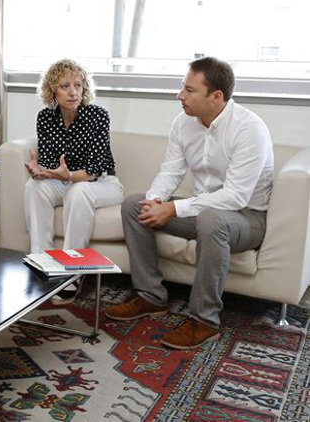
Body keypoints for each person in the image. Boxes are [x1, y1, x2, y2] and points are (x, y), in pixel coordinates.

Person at [105, 57, 274, 350]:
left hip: (246, 218)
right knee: (135, 204)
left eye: (189, 90)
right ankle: (150, 297)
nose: (179, 95)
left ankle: (205, 321)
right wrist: (155, 201)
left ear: (216, 96)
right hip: (203, 212)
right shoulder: (183, 122)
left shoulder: (249, 129)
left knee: (212, 218)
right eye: (183, 87)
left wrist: (172, 209)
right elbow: (171, 170)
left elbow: (235, 197)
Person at [24, 59, 123, 305]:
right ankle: (43, 261)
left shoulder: (98, 115)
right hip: (65, 180)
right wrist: (40, 172)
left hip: (102, 182)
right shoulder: (46, 117)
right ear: (52, 91)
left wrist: (64, 175)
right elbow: (48, 161)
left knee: (78, 191)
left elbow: (94, 170)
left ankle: (71, 271)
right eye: (65, 86)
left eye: (78, 85)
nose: (73, 91)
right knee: (34, 187)